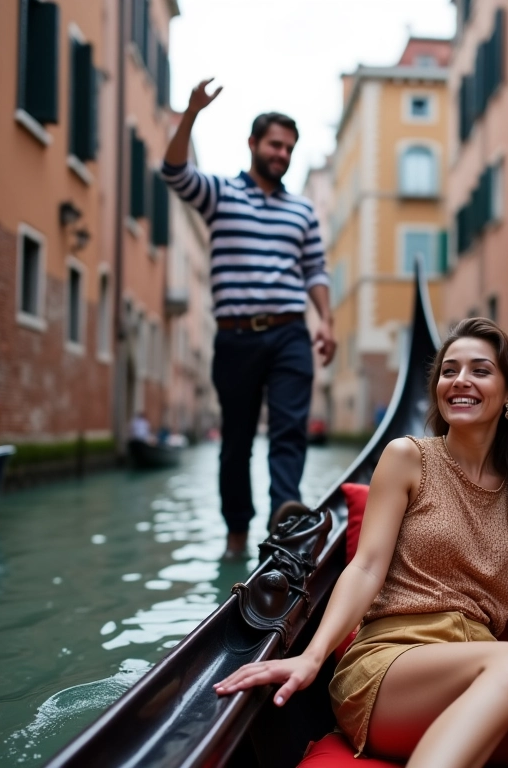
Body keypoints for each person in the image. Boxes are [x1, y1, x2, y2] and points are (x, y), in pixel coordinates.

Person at [213, 318, 508, 768]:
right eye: (449, 371)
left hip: (488, 677)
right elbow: (366, 568)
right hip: (394, 666)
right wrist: (312, 657)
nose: (460, 381)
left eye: (480, 370)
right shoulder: (407, 458)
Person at [162, 80, 336, 560]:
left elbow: (315, 270)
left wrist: (326, 321)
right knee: (236, 442)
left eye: (289, 148)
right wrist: (192, 113)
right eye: (275, 144)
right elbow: (174, 171)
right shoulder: (219, 193)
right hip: (236, 338)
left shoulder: (302, 211)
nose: (282, 154)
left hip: (289, 335)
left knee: (288, 432)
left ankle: (283, 525)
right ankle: (236, 534)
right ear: (254, 144)